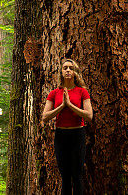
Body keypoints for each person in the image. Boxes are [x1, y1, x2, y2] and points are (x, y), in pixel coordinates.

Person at [41, 58, 93, 195]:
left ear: (75, 72)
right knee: (65, 177)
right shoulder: (54, 93)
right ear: (61, 72)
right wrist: (62, 106)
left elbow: (89, 115)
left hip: (77, 135)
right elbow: (45, 117)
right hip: (61, 136)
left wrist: (70, 105)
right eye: (65, 68)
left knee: (77, 175)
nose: (68, 70)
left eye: (71, 68)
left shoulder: (82, 92)